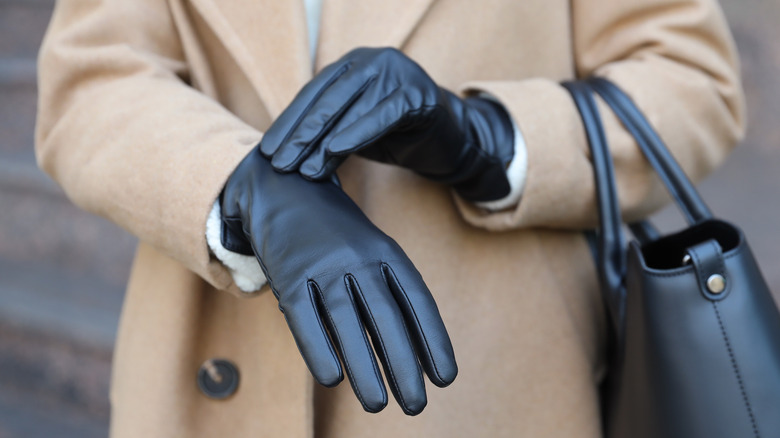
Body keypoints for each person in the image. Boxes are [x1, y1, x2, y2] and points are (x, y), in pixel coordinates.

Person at [35, 0, 744, 436]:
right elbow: (92, 80)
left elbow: (691, 79)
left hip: (491, 387)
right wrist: (236, 187)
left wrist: (489, 138)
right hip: (215, 375)